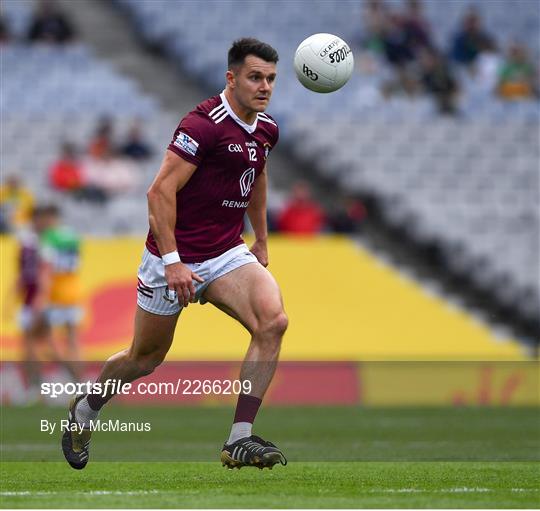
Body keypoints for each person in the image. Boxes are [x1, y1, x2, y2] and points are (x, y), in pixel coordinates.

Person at [61, 38, 288, 471]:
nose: (264, 87)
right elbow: (159, 191)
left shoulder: (266, 129)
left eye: (271, 79)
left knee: (273, 321)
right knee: (143, 359)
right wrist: (172, 261)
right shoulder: (202, 125)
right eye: (255, 77)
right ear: (232, 78)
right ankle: (86, 407)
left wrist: (260, 238)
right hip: (173, 256)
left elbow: (256, 176)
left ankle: (239, 438)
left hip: (224, 252)